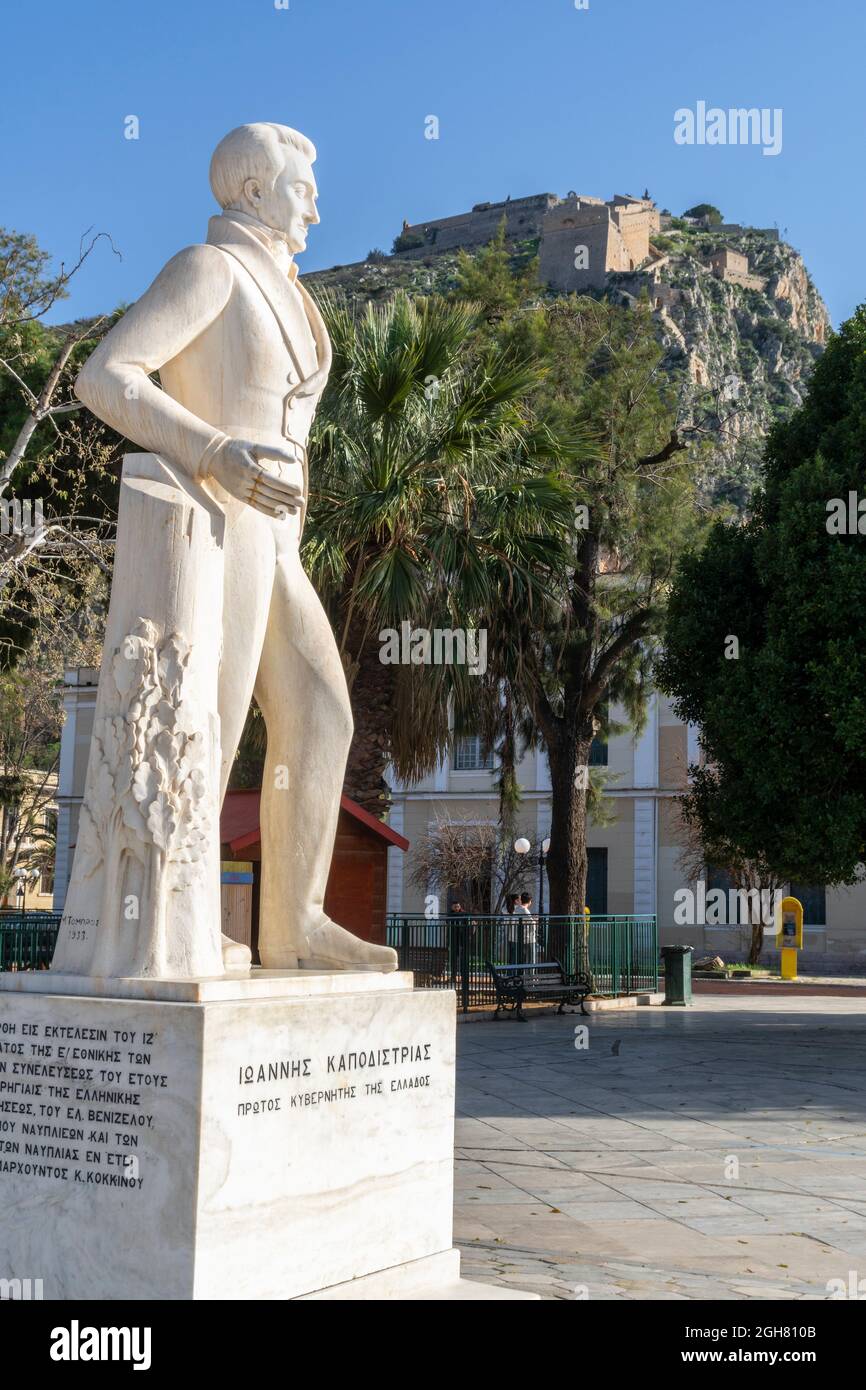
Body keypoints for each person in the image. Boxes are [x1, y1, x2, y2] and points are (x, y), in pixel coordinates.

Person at [517, 891, 538, 964]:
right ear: (529, 901)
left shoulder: (517, 909)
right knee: (531, 960)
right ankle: (531, 975)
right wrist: (535, 921)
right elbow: (532, 924)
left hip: (520, 938)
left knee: (523, 960)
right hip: (529, 938)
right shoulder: (525, 910)